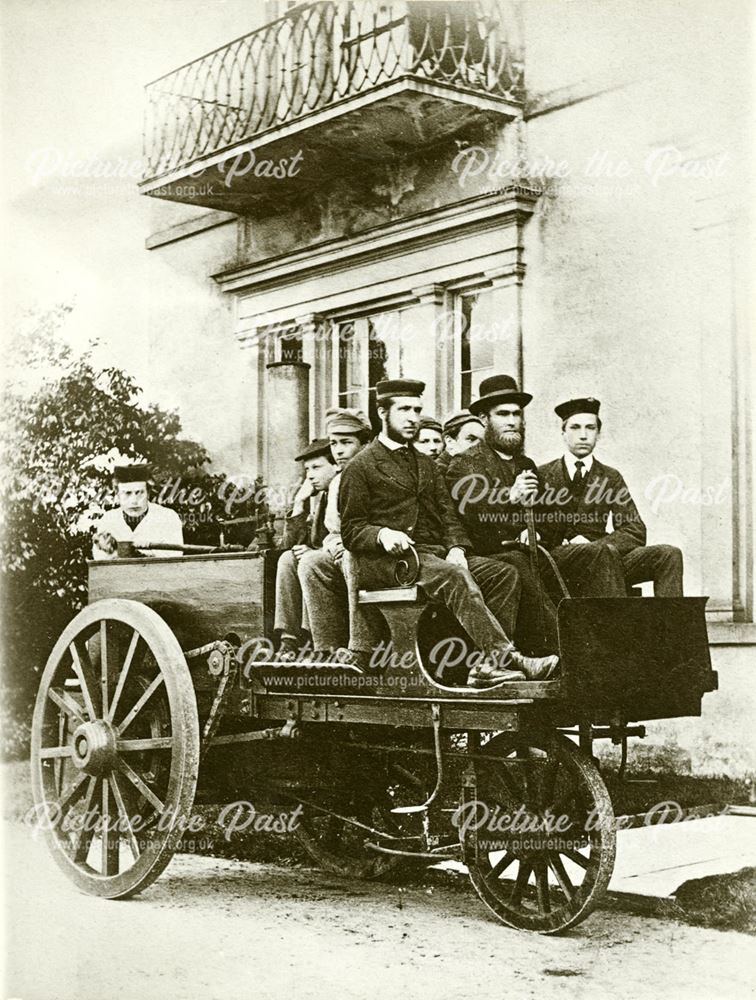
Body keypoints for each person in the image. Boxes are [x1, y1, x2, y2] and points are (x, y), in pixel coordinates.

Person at [338, 378, 559, 687]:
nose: (412, 417)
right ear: (382, 413)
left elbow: (448, 516)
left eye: (417, 409)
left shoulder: (425, 464)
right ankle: (505, 656)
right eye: (403, 409)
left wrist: (457, 547)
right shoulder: (361, 466)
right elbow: (351, 529)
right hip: (388, 563)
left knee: (503, 573)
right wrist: (383, 534)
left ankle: (485, 666)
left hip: (430, 557)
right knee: (453, 576)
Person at [445, 375, 566, 655]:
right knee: (517, 564)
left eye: (516, 414)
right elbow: (468, 516)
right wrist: (509, 497)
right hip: (488, 554)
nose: (512, 421)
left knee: (585, 559)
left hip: (531, 551)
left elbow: (551, 516)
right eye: (503, 414)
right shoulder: (465, 464)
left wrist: (536, 530)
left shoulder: (527, 464)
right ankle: (558, 650)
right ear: (485, 420)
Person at [538, 397, 683, 596]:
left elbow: (634, 529)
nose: (583, 435)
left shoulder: (610, 476)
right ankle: (618, 626)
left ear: (599, 434)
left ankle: (670, 627)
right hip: (559, 562)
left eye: (590, 428)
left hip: (605, 557)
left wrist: (595, 545)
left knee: (669, 554)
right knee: (602, 553)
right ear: (563, 433)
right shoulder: (542, 474)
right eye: (575, 428)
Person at [297, 407, 372, 657]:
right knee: (310, 562)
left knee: (352, 557)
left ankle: (360, 648)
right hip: (345, 546)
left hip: (375, 548)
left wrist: (346, 543)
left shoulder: (375, 471)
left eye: (346, 443)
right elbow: (332, 530)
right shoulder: (340, 479)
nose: (338, 450)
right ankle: (325, 650)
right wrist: (334, 544)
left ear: (365, 443)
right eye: (334, 443)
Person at [274, 438, 338, 659]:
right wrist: (299, 503)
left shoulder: (343, 490)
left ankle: (312, 641)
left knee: (309, 562)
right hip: (323, 566)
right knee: (287, 558)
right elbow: (290, 544)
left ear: (336, 465)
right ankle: (289, 639)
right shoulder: (321, 498)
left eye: (316, 467)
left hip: (340, 568)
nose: (310, 475)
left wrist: (315, 553)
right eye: (307, 469)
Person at [92, 463, 183, 559]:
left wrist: (127, 554)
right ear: (117, 493)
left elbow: (174, 560)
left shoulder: (168, 518)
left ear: (148, 493)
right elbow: (100, 562)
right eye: (127, 493)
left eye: (139, 493)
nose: (134, 501)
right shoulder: (108, 520)